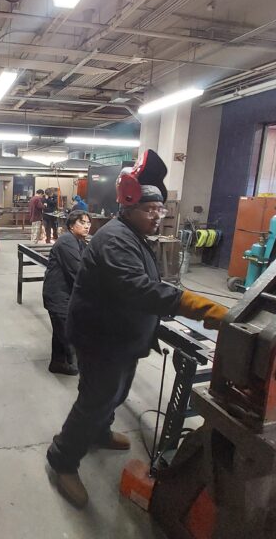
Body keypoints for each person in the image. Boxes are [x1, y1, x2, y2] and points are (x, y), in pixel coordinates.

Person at [46, 150, 228, 509]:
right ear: (127, 207)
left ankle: (98, 433)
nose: (157, 216)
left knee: (116, 392)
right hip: (102, 338)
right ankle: (62, 459)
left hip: (122, 336)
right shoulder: (115, 238)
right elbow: (139, 288)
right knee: (96, 399)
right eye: (149, 209)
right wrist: (199, 306)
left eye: (160, 210)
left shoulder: (133, 234)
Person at [42, 210, 91, 376]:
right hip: (59, 296)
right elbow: (78, 272)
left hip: (67, 295)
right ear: (71, 225)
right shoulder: (66, 242)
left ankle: (57, 363)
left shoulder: (79, 241)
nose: (86, 226)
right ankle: (71, 362)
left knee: (59, 331)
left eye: (88, 223)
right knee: (68, 333)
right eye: (82, 223)